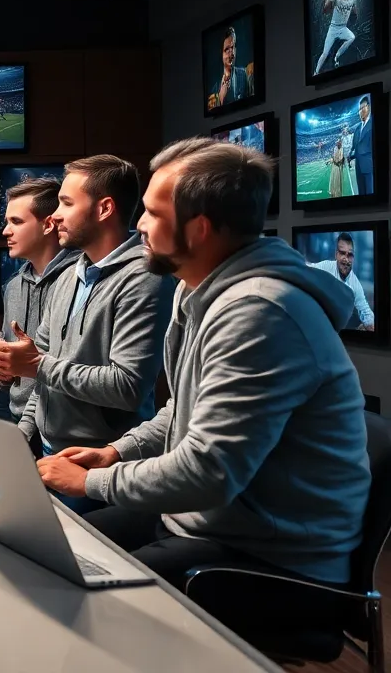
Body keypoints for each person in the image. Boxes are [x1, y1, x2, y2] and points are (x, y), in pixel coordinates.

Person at [38, 137, 370, 630]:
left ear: (199, 228)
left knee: (65, 598)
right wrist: (116, 452)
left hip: (271, 558)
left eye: (152, 213)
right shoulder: (199, 287)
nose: (141, 226)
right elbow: (182, 410)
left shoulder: (260, 311)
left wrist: (90, 481)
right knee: (50, 549)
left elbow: (210, 472)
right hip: (208, 521)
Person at [0, 154, 173, 513]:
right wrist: (23, 433)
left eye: (66, 203)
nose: (55, 215)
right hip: (48, 456)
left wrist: (36, 365)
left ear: (104, 209)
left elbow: (127, 387)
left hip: (98, 466)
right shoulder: (73, 273)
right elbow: (43, 375)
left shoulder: (144, 278)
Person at [0, 177, 79, 423]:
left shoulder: (81, 281)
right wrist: (1, 367)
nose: (5, 231)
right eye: (7, 221)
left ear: (49, 224)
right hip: (13, 411)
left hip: (62, 422)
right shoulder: (13, 286)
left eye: (16, 222)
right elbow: (10, 365)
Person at [307, 232, 375, 331]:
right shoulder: (326, 267)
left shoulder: (355, 284)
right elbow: (306, 268)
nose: (346, 259)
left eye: (350, 255)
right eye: (342, 253)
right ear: (336, 254)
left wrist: (371, 326)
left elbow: (366, 312)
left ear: (354, 257)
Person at [313, 0, 358, 76]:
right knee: (325, 53)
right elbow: (325, 10)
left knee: (351, 37)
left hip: (343, 28)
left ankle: (337, 55)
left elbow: (354, 11)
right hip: (333, 29)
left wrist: (354, 15)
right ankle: (316, 72)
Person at [209, 26, 252, 109]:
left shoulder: (244, 75)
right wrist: (220, 97)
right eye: (227, 49)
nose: (231, 53)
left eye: (232, 47)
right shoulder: (214, 88)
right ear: (220, 53)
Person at [349, 95, 374, 195]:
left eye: (362, 108)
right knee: (361, 195)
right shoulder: (357, 129)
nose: (360, 112)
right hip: (358, 167)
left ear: (369, 107)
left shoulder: (373, 123)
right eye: (359, 109)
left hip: (369, 167)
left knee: (371, 195)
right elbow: (355, 147)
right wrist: (350, 156)